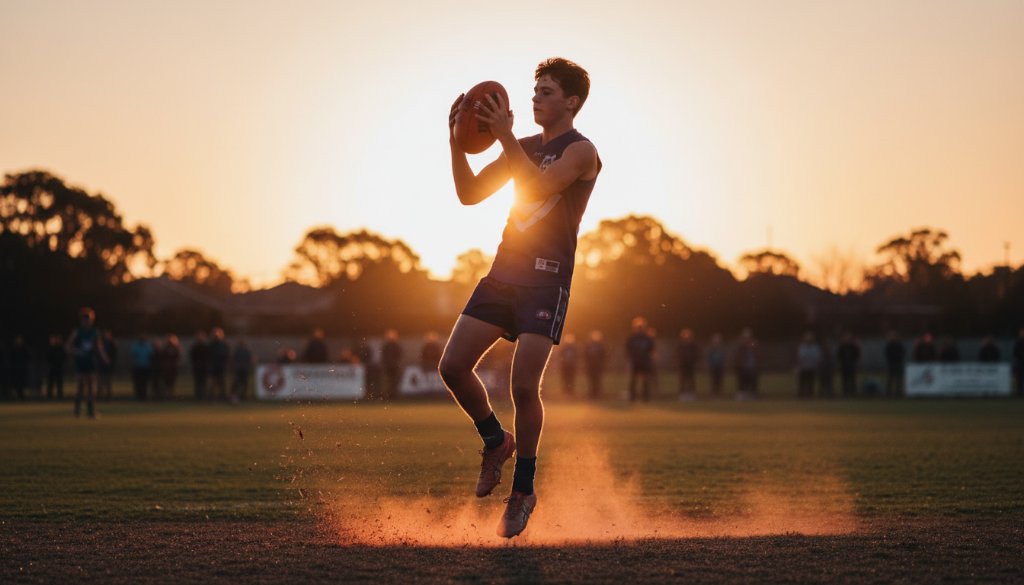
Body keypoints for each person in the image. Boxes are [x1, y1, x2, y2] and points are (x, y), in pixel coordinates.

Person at [438, 58, 600, 538]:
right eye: (535, 90)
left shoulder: (582, 151)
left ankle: (524, 490)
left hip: (547, 280)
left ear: (571, 101)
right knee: (451, 367)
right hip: (503, 274)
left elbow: (540, 184)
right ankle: (495, 440)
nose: (535, 98)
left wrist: (505, 136)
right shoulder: (522, 145)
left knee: (524, 386)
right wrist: (455, 143)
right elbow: (468, 194)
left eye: (546, 91)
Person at [66, 308, 107, 418]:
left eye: (89, 319)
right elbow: (68, 346)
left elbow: (99, 346)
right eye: (85, 319)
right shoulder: (77, 331)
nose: (87, 321)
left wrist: (104, 357)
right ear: (81, 320)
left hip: (91, 361)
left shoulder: (94, 332)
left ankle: (90, 411)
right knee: (80, 385)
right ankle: (77, 410)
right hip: (80, 361)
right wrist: (77, 352)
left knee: (91, 386)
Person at [625, 317, 655, 402]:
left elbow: (652, 350)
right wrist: (630, 359)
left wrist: (650, 360)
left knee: (645, 380)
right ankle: (632, 397)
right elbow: (628, 349)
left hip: (645, 362)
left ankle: (645, 397)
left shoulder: (647, 338)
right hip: (635, 362)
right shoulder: (632, 338)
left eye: (641, 327)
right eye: (638, 327)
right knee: (633, 380)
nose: (640, 329)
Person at [734, 328, 758, 399]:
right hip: (743, 367)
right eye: (745, 337)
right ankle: (741, 395)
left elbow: (757, 353)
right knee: (742, 381)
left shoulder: (753, 345)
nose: (747, 339)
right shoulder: (740, 346)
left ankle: (751, 395)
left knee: (751, 381)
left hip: (751, 366)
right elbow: (738, 356)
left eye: (748, 337)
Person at [676, 328, 700, 400]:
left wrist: (694, 361)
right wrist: (680, 361)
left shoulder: (693, 345)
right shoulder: (680, 345)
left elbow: (697, 354)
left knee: (691, 380)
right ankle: (681, 394)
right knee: (682, 380)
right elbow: (678, 354)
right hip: (683, 365)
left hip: (691, 365)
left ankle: (693, 394)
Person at [796, 332, 820, 399]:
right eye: (807, 339)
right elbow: (800, 357)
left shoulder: (815, 347)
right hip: (803, 368)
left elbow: (816, 357)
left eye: (810, 339)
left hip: (812, 368)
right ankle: (801, 395)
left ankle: (810, 395)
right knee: (802, 383)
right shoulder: (802, 347)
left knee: (811, 383)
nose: (808, 340)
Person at [130, 336, 155, 400]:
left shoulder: (147, 346)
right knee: (138, 382)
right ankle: (138, 395)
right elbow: (133, 355)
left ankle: (144, 395)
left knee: (144, 382)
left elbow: (151, 356)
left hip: (145, 367)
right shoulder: (136, 346)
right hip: (138, 366)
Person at [381, 329, 403, 401]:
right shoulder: (386, 346)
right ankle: (387, 395)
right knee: (388, 381)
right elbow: (383, 355)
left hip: (394, 366)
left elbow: (399, 355)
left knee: (394, 381)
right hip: (388, 366)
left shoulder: (395, 345)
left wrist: (396, 362)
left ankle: (394, 395)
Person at [836, 333, 861, 397]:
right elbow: (839, 356)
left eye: (848, 337)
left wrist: (855, 363)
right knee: (844, 380)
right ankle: (845, 392)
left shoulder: (853, 347)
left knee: (852, 379)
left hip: (851, 365)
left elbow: (857, 355)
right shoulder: (841, 347)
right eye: (846, 337)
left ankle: (853, 392)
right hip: (844, 366)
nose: (847, 339)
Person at [583, 330, 606, 399]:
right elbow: (585, 355)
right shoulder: (589, 345)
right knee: (591, 379)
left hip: (598, 366)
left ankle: (597, 392)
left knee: (597, 379)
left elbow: (603, 356)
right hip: (590, 366)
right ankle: (591, 392)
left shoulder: (600, 346)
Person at [208, 328, 230, 400]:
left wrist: (225, 364)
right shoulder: (211, 345)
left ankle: (222, 396)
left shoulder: (224, 345)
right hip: (213, 367)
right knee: (213, 383)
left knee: (222, 382)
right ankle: (212, 397)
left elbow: (227, 355)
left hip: (221, 367)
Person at [45, 335, 67, 400]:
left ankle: (59, 395)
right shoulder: (50, 348)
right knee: (50, 382)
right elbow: (47, 357)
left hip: (59, 367)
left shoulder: (60, 348)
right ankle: (49, 395)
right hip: (52, 367)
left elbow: (64, 357)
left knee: (59, 382)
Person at [884, 331, 906, 397]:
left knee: (898, 379)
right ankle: (889, 393)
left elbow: (903, 353)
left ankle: (898, 393)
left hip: (898, 364)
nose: (892, 337)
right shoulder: (889, 345)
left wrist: (897, 357)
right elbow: (887, 354)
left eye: (893, 336)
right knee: (890, 379)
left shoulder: (899, 345)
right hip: (891, 364)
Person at [159, 335, 181, 399]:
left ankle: (170, 394)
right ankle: (166, 395)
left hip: (173, 368)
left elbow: (178, 357)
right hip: (166, 369)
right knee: (166, 382)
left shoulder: (175, 349)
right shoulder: (165, 349)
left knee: (171, 382)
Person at [97, 329, 117, 400]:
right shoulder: (101, 343)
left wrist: (110, 361)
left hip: (108, 365)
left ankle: (108, 396)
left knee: (108, 381)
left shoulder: (112, 344)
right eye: (106, 334)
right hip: (101, 365)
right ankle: (99, 396)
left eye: (108, 334)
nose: (107, 335)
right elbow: (98, 353)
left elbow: (114, 354)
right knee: (100, 380)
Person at [9, 335, 31, 400]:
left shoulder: (24, 349)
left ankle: (21, 395)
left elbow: (28, 357)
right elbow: (11, 358)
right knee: (16, 382)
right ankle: (17, 395)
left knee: (22, 382)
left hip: (22, 369)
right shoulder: (14, 349)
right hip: (15, 369)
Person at [189, 331, 210, 400]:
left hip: (203, 367)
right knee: (197, 382)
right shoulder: (195, 347)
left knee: (203, 382)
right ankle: (198, 396)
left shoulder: (205, 347)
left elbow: (208, 357)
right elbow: (192, 357)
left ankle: (204, 396)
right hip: (197, 367)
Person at [558, 333, 578, 397]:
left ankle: (571, 390)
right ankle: (565, 390)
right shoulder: (564, 348)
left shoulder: (574, 348)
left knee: (571, 378)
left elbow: (577, 357)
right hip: (565, 366)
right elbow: (560, 356)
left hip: (571, 366)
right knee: (565, 378)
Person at [1014, 328, 1024, 396]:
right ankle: (1019, 392)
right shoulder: (1018, 342)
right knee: (1019, 378)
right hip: (1020, 362)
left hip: (1020, 362)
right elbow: (1015, 352)